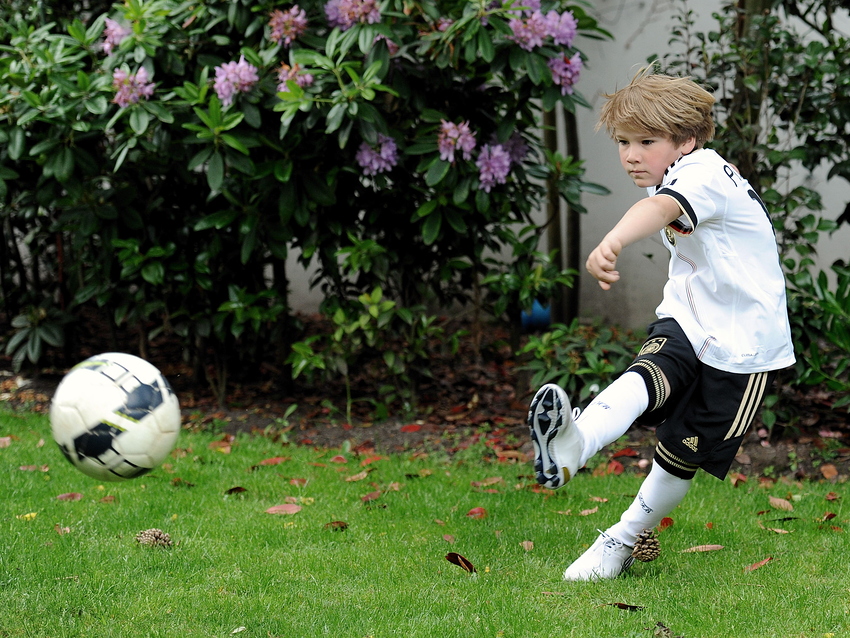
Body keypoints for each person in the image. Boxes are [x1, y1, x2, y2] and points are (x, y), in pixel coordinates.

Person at [527, 69, 795, 581]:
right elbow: (660, 201)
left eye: (646, 142)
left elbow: (660, 208)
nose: (631, 154)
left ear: (686, 140)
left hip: (743, 346)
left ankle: (620, 542)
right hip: (689, 318)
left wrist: (614, 240)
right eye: (624, 141)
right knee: (645, 376)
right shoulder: (674, 170)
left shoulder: (702, 173)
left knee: (678, 457)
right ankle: (573, 444)